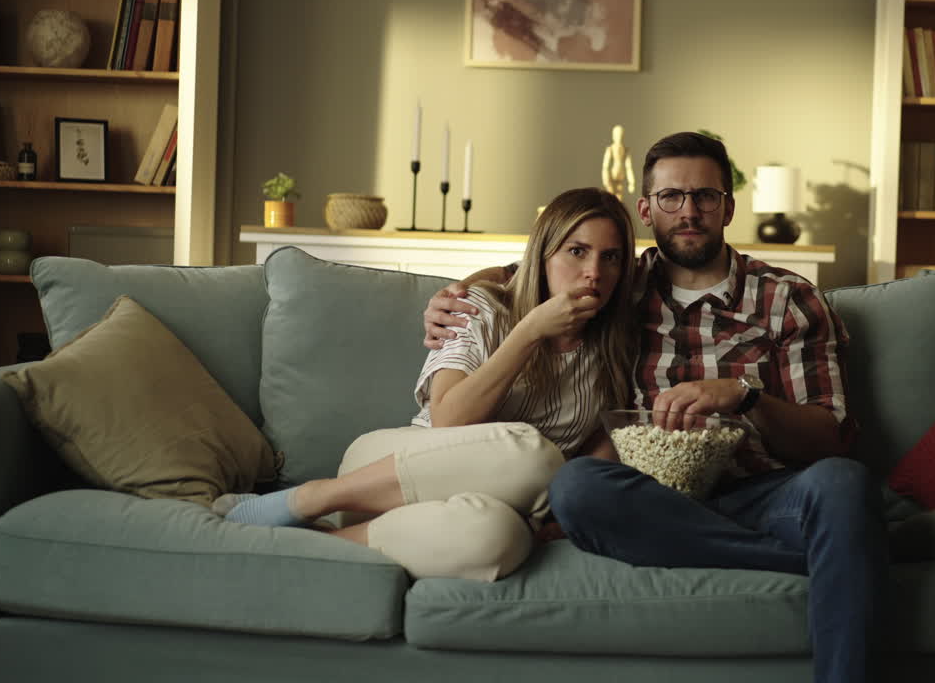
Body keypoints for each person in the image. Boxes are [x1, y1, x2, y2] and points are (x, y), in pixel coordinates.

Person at [423, 132, 884, 682]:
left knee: (843, 483)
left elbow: (828, 437)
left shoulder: (788, 298)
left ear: (728, 207)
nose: (689, 212)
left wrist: (745, 396)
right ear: (646, 209)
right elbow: (537, 271)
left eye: (705, 197)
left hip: (764, 495)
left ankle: (844, 560)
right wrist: (458, 290)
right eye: (671, 198)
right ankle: (848, 555)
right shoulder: (618, 283)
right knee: (576, 488)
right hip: (648, 499)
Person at [218, 187, 637, 582]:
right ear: (541, 255)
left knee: (499, 541)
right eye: (576, 252)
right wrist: (529, 332)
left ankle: (308, 542)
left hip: (487, 507)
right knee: (538, 459)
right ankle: (313, 498)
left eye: (611, 257)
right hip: (386, 472)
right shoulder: (478, 307)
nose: (593, 273)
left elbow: (601, 442)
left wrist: (564, 516)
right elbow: (449, 418)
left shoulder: (616, 345)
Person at [600, 124, 635, 200]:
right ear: (613, 136)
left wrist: (631, 182)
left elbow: (628, 167)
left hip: (621, 175)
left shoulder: (625, 150)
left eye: (620, 134)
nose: (619, 136)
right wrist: (605, 178)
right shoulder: (610, 149)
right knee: (611, 197)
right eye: (617, 134)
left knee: (619, 198)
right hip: (612, 176)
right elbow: (605, 166)